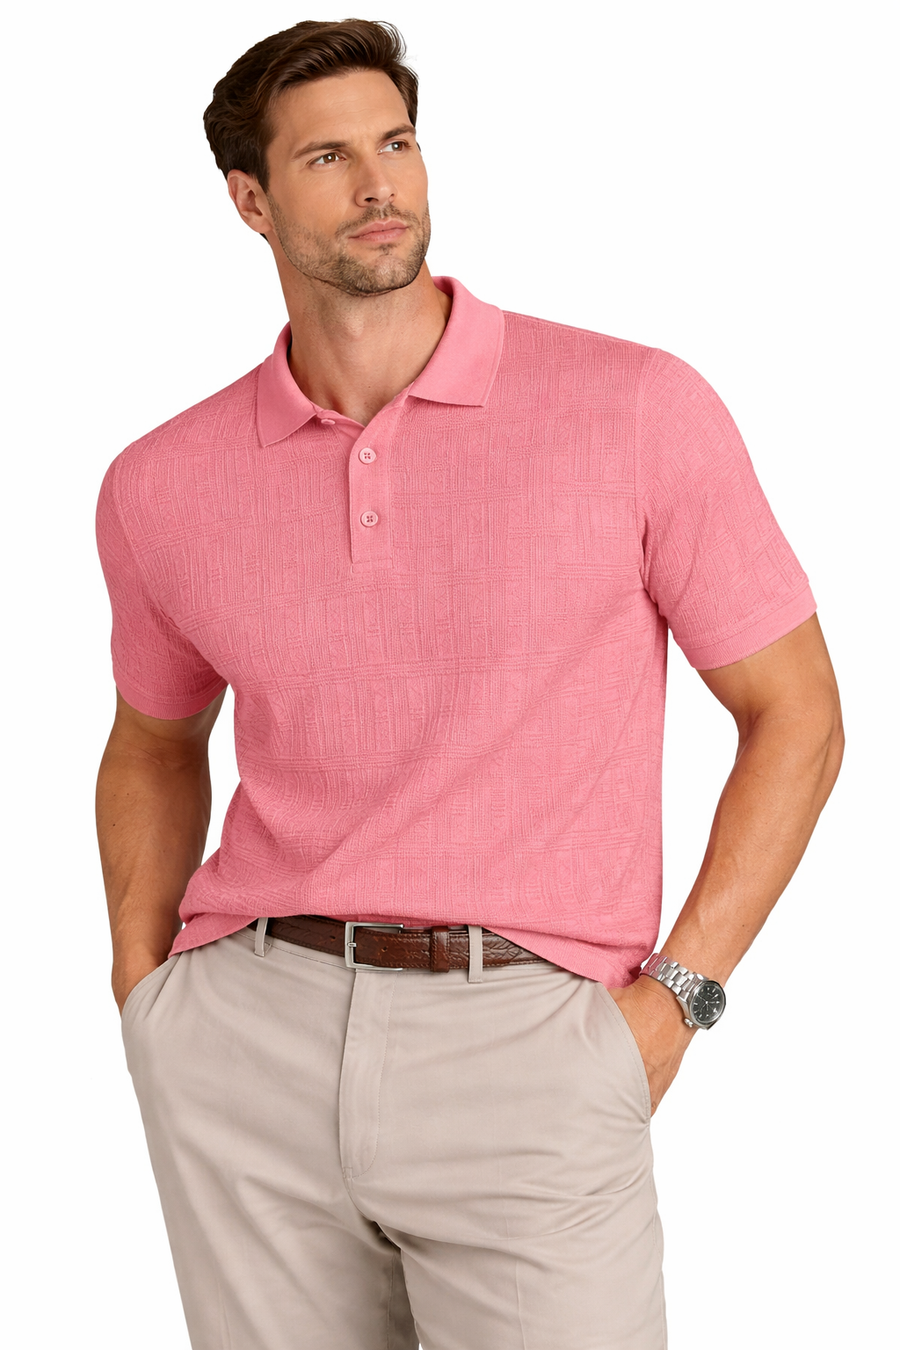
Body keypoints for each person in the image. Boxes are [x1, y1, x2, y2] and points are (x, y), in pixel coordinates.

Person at [95, 18, 843, 1350]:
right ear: (251, 201)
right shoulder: (162, 482)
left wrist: (678, 999)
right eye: (327, 157)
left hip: (532, 1040)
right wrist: (145, 990)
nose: (378, 183)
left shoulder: (633, 408)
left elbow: (798, 715)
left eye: (395, 143)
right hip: (247, 1043)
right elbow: (153, 740)